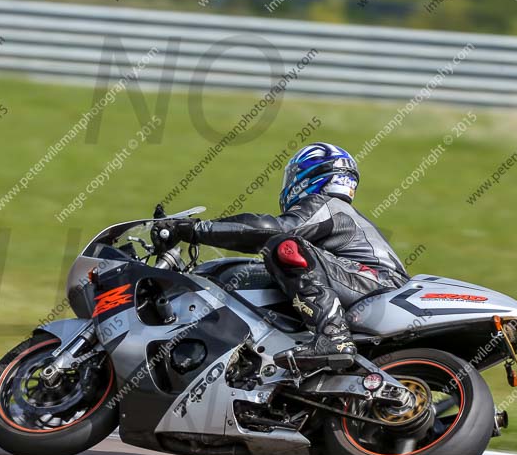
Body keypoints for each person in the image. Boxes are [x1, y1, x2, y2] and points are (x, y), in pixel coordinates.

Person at [160, 142, 409, 372]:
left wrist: (194, 230)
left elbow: (269, 230)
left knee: (285, 246)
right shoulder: (339, 212)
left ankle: (334, 338)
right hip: (372, 283)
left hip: (376, 282)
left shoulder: (326, 204)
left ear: (306, 176)